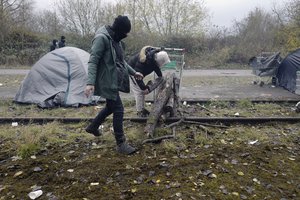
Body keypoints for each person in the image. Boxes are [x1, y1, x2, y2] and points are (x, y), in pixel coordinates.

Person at [84, 15, 144, 155]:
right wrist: (90, 83)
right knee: (118, 109)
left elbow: (121, 61)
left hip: (113, 79)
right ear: (119, 30)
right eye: (125, 33)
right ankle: (121, 143)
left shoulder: (115, 40)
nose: (126, 36)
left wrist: (134, 72)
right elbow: (93, 61)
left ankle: (93, 127)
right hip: (107, 81)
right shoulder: (102, 38)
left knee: (111, 106)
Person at [127, 46, 170, 117]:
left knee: (142, 92)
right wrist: (144, 88)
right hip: (133, 73)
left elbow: (155, 67)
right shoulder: (143, 60)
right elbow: (137, 77)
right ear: (159, 61)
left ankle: (142, 108)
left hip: (139, 74)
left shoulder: (153, 58)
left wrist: (160, 76)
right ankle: (140, 112)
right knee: (139, 92)